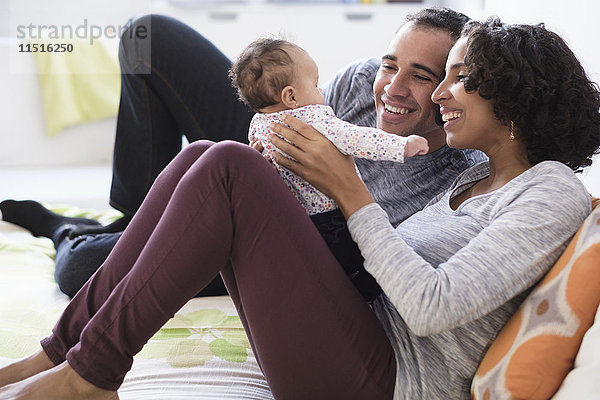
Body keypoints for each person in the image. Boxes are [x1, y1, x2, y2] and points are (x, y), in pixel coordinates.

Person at [1, 17, 600, 400]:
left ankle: (92, 374)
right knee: (210, 153)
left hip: (384, 378)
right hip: (350, 336)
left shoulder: (549, 192)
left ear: (514, 101)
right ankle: (63, 351)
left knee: (229, 166)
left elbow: (429, 307)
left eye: (456, 78)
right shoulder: (479, 178)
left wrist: (349, 190)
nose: (439, 91)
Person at [0, 8, 485, 298]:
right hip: (266, 162)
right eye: (389, 64)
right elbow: (307, 111)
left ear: (453, 87)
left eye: (421, 75)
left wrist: (340, 184)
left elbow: (380, 266)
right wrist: (265, 138)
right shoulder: (363, 81)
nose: (392, 88)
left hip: (288, 235)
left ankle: (62, 228)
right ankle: (134, 214)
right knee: (148, 37)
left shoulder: (457, 175)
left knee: (82, 273)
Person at [230, 37, 428, 300]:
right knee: (355, 268)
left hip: (286, 216)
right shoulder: (314, 118)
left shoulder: (258, 123)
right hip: (328, 217)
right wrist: (402, 146)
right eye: (314, 85)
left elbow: (257, 159)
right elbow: (357, 138)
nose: (321, 92)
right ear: (291, 96)